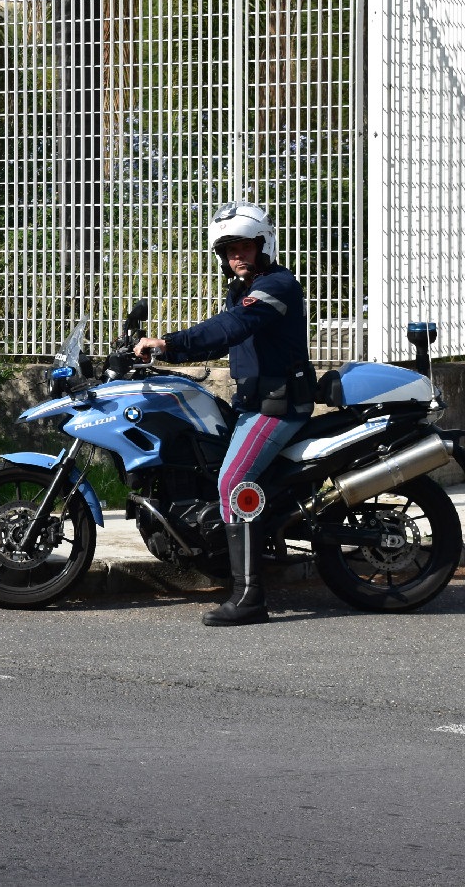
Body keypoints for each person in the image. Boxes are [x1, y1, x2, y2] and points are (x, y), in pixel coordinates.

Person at [133, 202, 314, 627]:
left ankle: (250, 597)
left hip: (278, 405)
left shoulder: (277, 286)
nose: (236, 255)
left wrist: (168, 341)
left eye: (244, 246)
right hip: (252, 403)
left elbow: (230, 327)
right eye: (229, 249)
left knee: (233, 481)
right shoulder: (244, 292)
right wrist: (170, 352)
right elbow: (226, 340)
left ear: (262, 244)